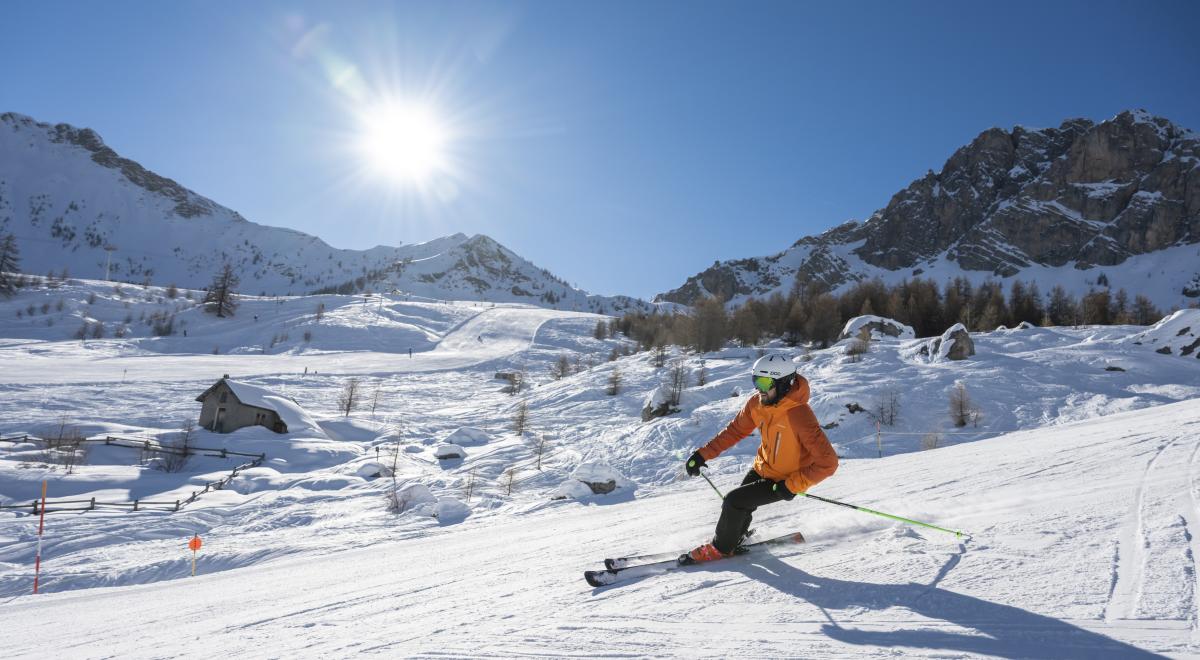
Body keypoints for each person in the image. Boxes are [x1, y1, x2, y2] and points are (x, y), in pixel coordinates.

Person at [682, 354, 838, 563]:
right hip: (762, 468)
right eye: (755, 381)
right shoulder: (757, 403)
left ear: (783, 384)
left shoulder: (799, 414)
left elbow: (828, 462)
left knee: (734, 501)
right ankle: (735, 537)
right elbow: (735, 431)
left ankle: (721, 548)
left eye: (764, 383)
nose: (759, 389)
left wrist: (792, 485)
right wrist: (702, 455)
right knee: (739, 505)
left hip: (785, 479)